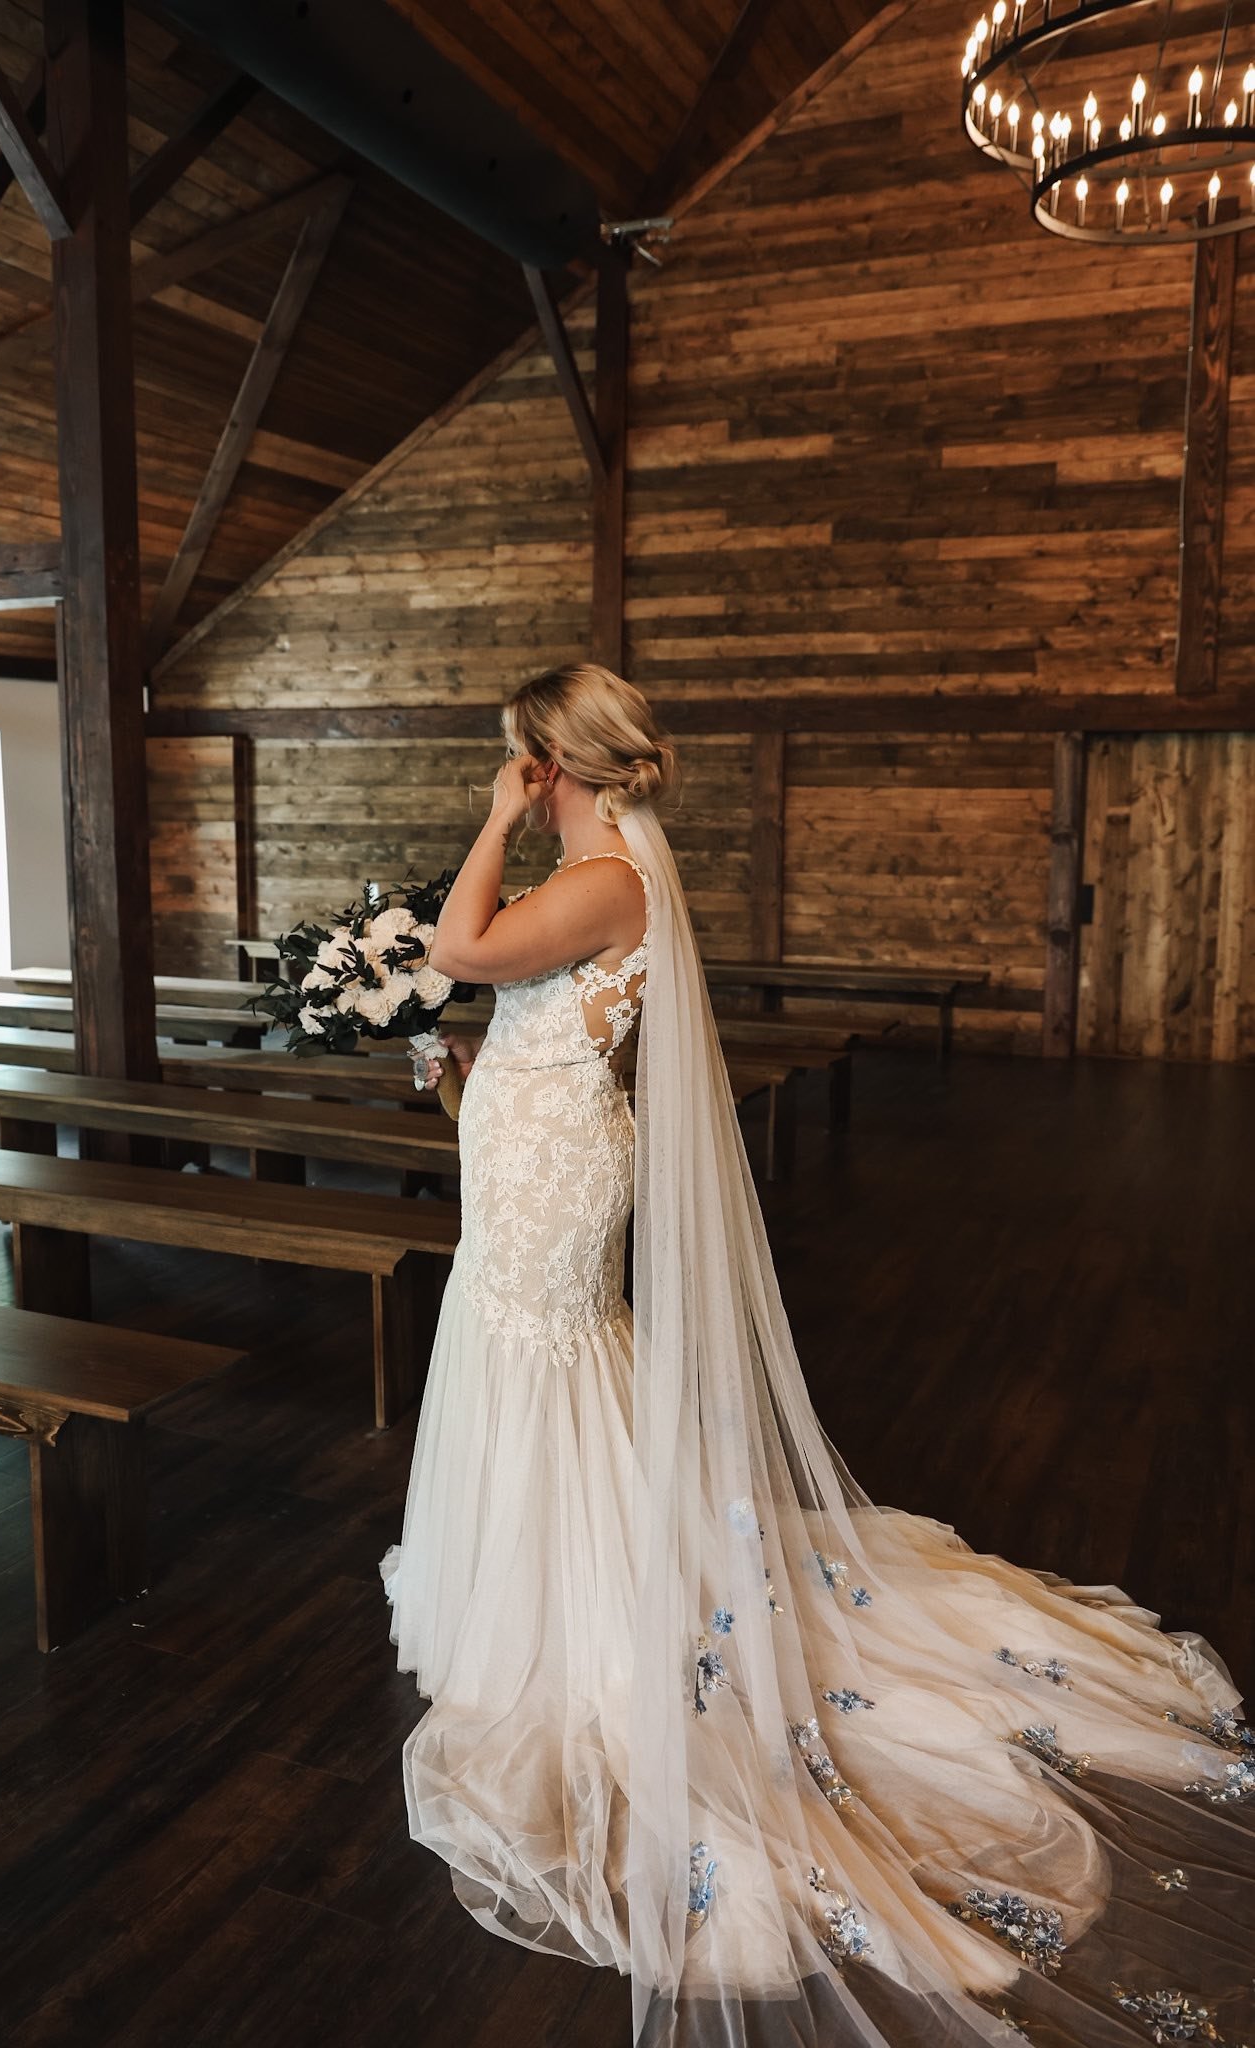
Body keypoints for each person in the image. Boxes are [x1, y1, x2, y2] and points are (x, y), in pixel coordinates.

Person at [382, 663, 1254, 2048]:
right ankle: (532, 1574)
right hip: (521, 1148)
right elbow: (516, 1024)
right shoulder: (590, 880)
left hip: (554, 1175)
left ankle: (589, 1605)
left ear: (562, 762)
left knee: (546, 1349)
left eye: (524, 762)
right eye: (514, 767)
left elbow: (470, 951)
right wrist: (447, 1068)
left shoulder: (607, 877)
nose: (520, 780)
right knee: (531, 1359)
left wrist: (486, 828)